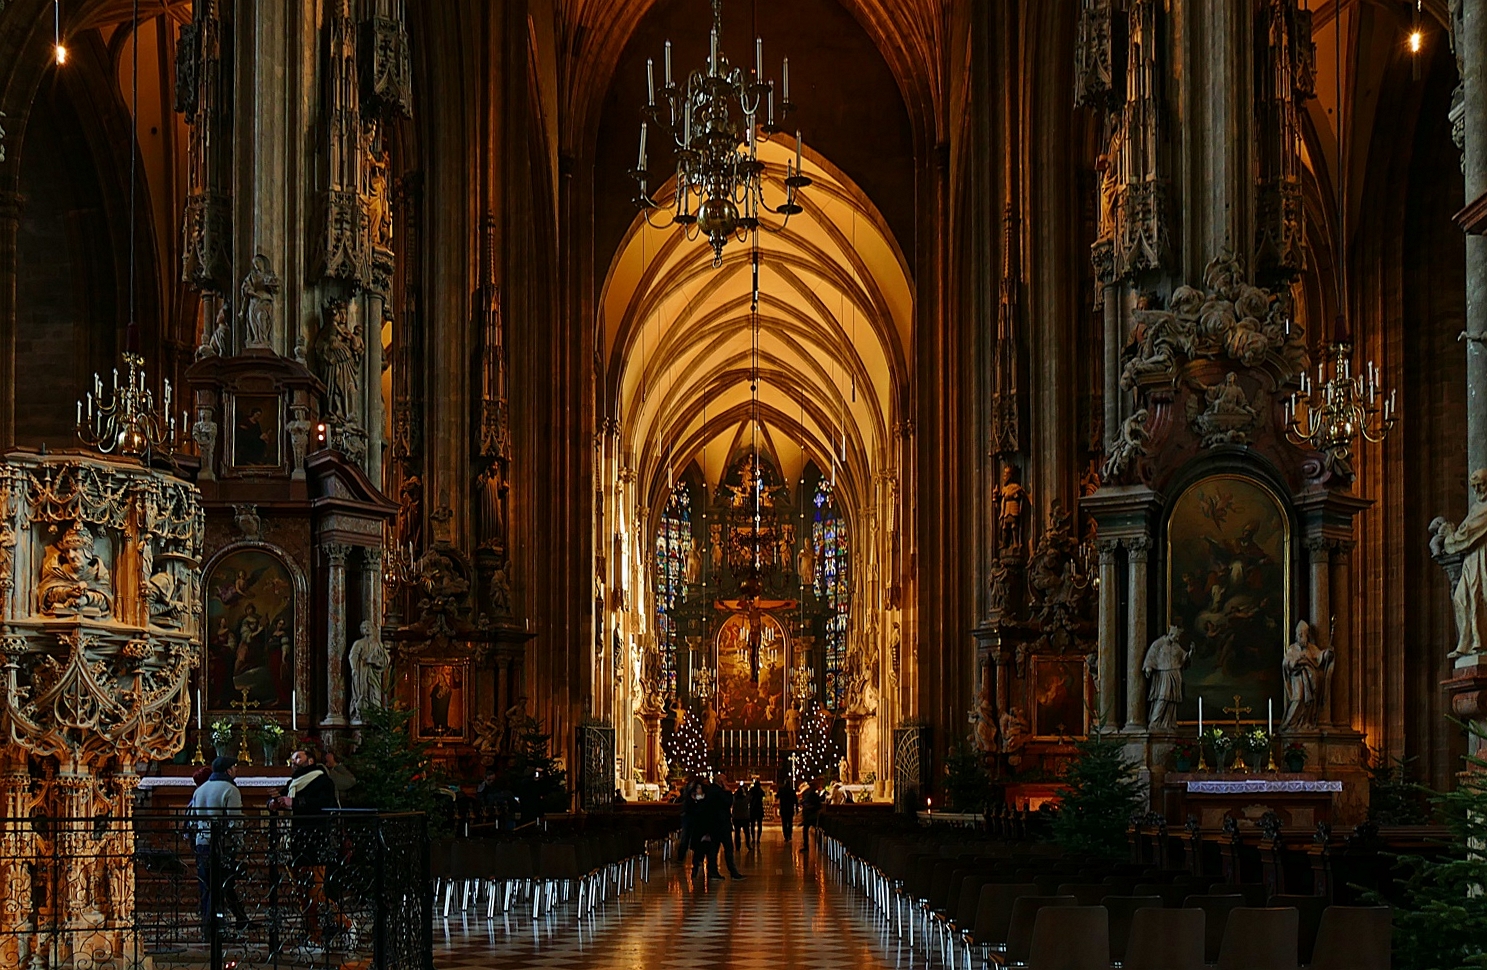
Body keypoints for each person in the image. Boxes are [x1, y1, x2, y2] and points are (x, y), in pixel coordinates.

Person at [268, 747, 340, 945]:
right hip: (295, 844)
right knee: (301, 895)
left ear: (310, 761)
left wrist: (295, 802)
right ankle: (313, 935)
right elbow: (282, 798)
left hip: (315, 842)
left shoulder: (322, 780)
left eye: (297, 757)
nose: (293, 761)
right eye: (291, 758)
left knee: (315, 894)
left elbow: (326, 804)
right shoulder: (293, 783)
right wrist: (273, 804)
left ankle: (345, 923)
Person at [186, 757, 249, 936]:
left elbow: (195, 817)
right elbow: (234, 821)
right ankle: (219, 926)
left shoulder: (201, 789)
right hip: (222, 844)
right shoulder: (231, 789)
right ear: (228, 771)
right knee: (222, 885)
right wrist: (239, 843)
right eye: (234, 767)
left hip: (202, 842)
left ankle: (207, 926)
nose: (236, 770)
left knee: (206, 885)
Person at [798, 779, 823, 854]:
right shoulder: (813, 794)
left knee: (806, 830)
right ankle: (819, 845)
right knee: (817, 829)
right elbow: (818, 804)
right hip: (812, 814)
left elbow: (803, 801)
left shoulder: (807, 793)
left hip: (809, 814)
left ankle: (806, 846)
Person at [731, 783, 752, 851]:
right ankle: (748, 844)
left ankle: (737, 846)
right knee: (747, 833)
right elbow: (750, 797)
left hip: (736, 818)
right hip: (745, 817)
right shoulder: (745, 800)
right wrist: (746, 791)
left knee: (737, 833)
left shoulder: (734, 800)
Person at [747, 778, 765, 843]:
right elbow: (764, 796)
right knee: (759, 825)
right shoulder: (760, 791)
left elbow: (748, 797)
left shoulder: (752, 790)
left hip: (753, 809)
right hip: (759, 809)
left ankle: (753, 838)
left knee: (752, 825)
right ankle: (758, 839)